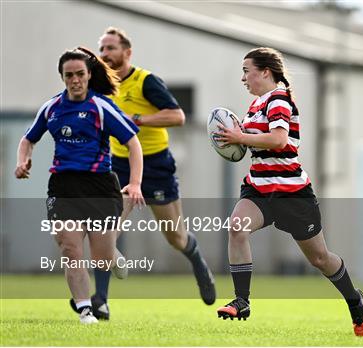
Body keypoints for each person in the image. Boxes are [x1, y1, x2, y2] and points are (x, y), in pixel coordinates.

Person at [214, 47, 363, 336]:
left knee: (320, 258)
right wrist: (232, 141)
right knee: (236, 227)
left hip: (292, 193)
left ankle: (354, 299)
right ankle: (242, 300)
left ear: (265, 72)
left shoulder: (279, 100)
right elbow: (253, 143)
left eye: (247, 70)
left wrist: (239, 136)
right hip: (259, 189)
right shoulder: (256, 105)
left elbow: (278, 139)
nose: (243, 78)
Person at [87, 27, 216, 319]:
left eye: (111, 48)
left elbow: (178, 116)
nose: (105, 54)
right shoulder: (101, 86)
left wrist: (136, 119)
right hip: (119, 166)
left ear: (127, 52)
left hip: (156, 166)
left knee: (176, 237)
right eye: (102, 48)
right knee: (106, 228)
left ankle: (197, 262)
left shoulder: (146, 81)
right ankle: (101, 301)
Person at [15, 47, 145, 324]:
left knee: (102, 258)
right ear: (62, 77)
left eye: (80, 74)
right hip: (63, 185)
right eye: (69, 75)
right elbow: (28, 139)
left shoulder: (101, 106)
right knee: (70, 248)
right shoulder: (52, 107)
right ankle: (85, 309)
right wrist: (23, 161)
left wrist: (135, 183)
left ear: (88, 75)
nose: (75, 80)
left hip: (99, 185)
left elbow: (133, 143)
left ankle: (112, 250)